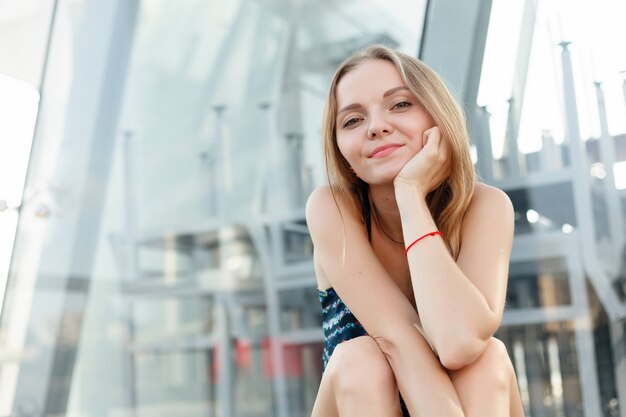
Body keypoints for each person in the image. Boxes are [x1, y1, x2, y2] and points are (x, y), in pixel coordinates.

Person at [306, 44, 525, 417]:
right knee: (361, 359)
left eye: (400, 104)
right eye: (353, 120)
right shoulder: (333, 208)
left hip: (462, 401)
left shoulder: (486, 207)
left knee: (486, 360)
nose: (376, 127)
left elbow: (457, 344)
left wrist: (410, 196)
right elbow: (396, 340)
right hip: (363, 401)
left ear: (437, 115)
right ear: (342, 150)